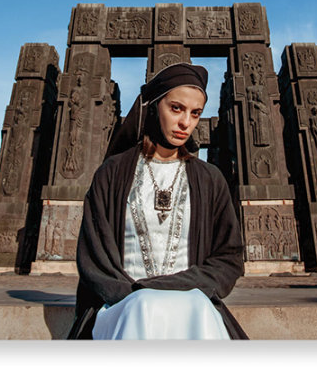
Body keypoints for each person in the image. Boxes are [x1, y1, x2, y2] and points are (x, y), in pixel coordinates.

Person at [67, 62, 248, 340]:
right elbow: (94, 256)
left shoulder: (210, 180)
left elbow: (229, 256)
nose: (186, 123)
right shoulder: (112, 173)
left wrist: (176, 287)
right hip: (124, 304)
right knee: (144, 307)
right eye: (176, 108)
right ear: (153, 107)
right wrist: (136, 293)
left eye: (195, 113)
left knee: (197, 308)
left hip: (192, 302)